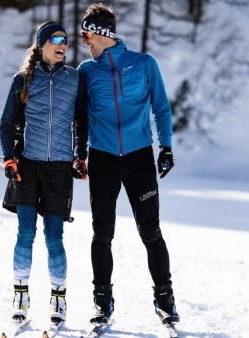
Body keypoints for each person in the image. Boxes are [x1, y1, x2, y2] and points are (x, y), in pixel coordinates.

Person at [74, 3, 180, 328]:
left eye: (86, 34)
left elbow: (161, 107)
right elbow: (80, 117)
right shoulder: (86, 71)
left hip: (139, 159)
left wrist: (166, 147)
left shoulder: (144, 64)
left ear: (102, 34)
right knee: (101, 233)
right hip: (103, 159)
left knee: (151, 232)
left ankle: (165, 301)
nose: (83, 41)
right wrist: (80, 154)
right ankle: (101, 303)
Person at [0, 21, 83, 325]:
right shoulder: (22, 81)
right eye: (58, 39)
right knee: (25, 233)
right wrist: (9, 158)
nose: (64, 44)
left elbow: (83, 122)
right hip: (28, 166)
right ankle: (20, 294)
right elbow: (6, 125)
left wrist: (80, 156)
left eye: (67, 40)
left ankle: (58, 298)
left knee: (54, 236)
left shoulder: (75, 79)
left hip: (59, 168)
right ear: (42, 43)